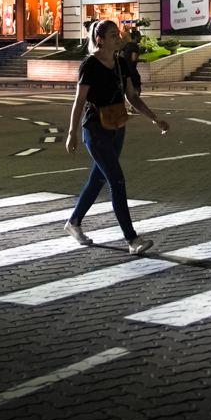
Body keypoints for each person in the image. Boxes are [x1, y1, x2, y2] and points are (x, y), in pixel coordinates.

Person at [64, 19, 171, 254]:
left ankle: (73, 223)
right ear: (99, 39)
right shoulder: (89, 65)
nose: (118, 37)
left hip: (117, 126)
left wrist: (155, 118)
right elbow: (79, 101)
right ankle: (132, 239)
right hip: (95, 128)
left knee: (98, 179)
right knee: (117, 180)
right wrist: (72, 132)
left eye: (117, 33)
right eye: (113, 34)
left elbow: (132, 96)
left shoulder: (121, 63)